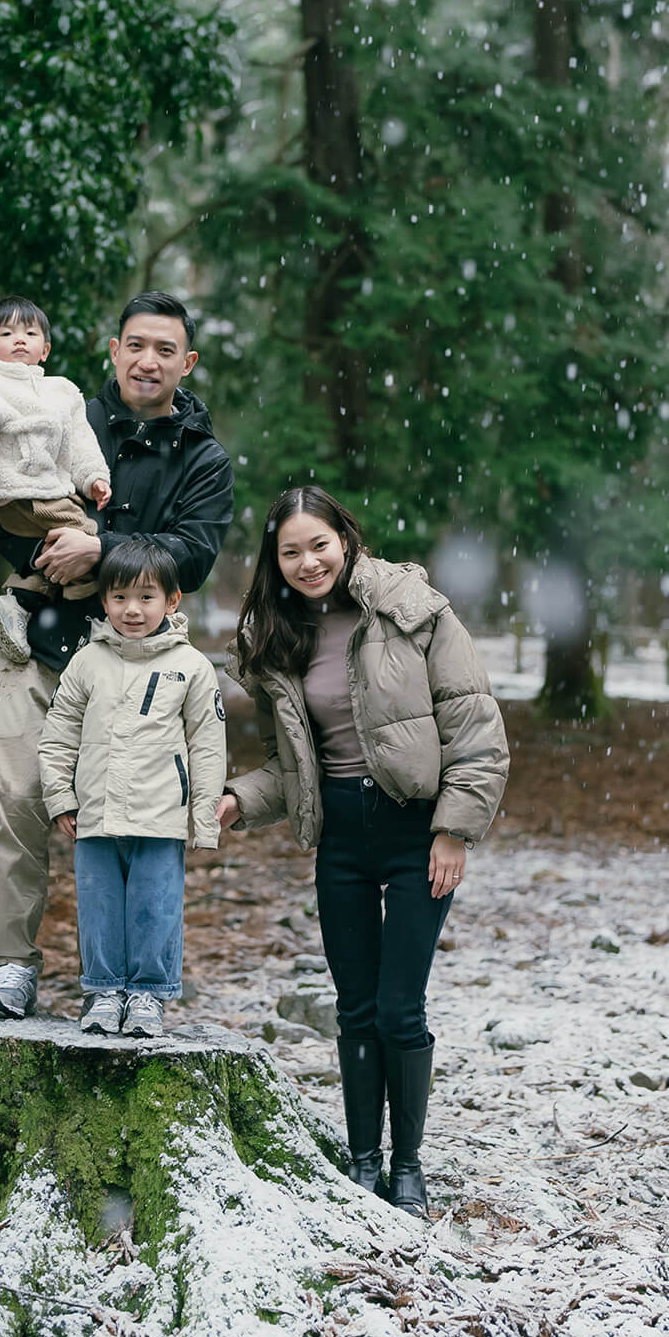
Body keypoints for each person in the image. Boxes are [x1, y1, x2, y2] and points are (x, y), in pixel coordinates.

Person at [217, 487, 509, 1218]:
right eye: (290, 552)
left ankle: (408, 1170)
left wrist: (455, 829)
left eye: (319, 544)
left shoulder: (415, 610)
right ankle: (362, 1160)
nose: (308, 562)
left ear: (345, 538)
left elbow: (475, 727)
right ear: (275, 563)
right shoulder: (277, 640)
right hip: (342, 839)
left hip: (418, 834)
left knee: (398, 1008)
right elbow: (290, 769)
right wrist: (236, 800)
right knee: (354, 1008)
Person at [0, 291, 234, 1021]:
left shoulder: (203, 459)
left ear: (187, 362)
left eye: (164, 350)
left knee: (131, 823)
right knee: (16, 800)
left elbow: (196, 551)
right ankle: (11, 966)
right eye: (135, 345)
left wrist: (104, 549)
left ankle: (130, 985)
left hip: (138, 671)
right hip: (38, 641)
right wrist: (45, 553)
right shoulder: (59, 414)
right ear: (113, 350)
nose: (147, 361)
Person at [38, 538, 226, 1039]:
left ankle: (147, 994)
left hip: (160, 814)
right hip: (95, 813)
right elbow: (58, 734)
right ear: (103, 602)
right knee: (98, 904)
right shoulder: (86, 663)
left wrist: (203, 818)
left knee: (155, 904)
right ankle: (103, 990)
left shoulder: (192, 668)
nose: (132, 609)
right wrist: (60, 796)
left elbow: (208, 747)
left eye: (146, 597)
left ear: (172, 600)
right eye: (119, 597)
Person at [0, 296, 112, 666]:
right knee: (83, 542)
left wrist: (94, 478)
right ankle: (92, 621)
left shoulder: (63, 392)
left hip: (56, 492)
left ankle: (19, 605)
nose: (20, 339)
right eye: (7, 333)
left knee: (68, 552)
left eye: (30, 333)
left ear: (45, 349)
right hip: (14, 493)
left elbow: (80, 441)